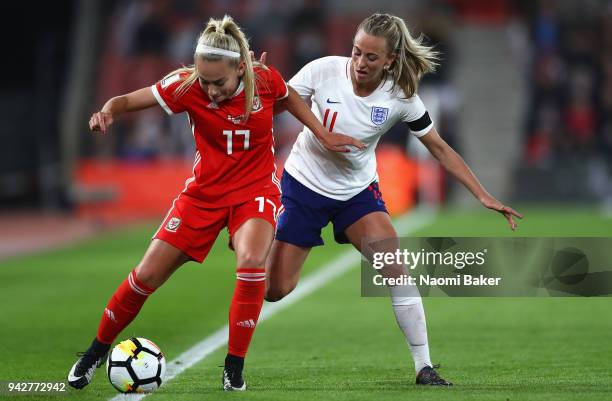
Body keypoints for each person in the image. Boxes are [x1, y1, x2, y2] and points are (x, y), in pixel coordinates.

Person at [67, 15, 364, 392]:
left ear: (241, 67)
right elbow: (126, 100)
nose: (210, 91)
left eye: (219, 82)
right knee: (145, 276)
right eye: (204, 81)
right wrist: (108, 110)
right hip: (202, 196)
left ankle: (234, 367)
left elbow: (289, 99)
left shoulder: (265, 79)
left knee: (253, 261)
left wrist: (322, 133)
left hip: (254, 192)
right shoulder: (185, 86)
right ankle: (93, 353)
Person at [265, 13, 523, 386]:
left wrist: (482, 194)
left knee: (395, 267)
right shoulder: (322, 70)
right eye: (356, 53)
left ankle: (424, 367)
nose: (359, 63)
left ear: (390, 59)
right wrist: (268, 94)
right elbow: (277, 104)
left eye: (371, 57)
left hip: (356, 193)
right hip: (304, 185)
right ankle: (259, 239)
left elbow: (439, 148)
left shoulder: (401, 97)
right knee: (278, 290)